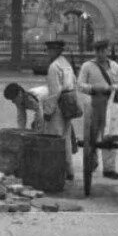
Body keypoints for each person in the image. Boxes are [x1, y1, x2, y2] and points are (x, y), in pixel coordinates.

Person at [77, 39, 118, 181]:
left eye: (104, 50)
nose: (101, 53)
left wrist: (116, 87)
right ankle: (92, 162)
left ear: (108, 51)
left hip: (110, 103)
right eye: (98, 50)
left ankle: (109, 168)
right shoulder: (87, 66)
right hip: (94, 103)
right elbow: (79, 84)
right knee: (92, 135)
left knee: (109, 135)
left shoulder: (115, 67)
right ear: (95, 51)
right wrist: (93, 88)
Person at [43, 39, 78, 181]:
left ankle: (57, 171)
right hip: (68, 103)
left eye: (50, 51)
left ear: (55, 51)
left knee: (55, 139)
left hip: (58, 105)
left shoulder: (54, 67)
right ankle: (69, 170)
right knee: (66, 138)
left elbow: (54, 91)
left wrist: (48, 111)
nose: (48, 53)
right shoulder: (66, 64)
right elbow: (74, 82)